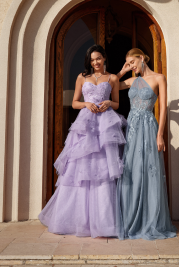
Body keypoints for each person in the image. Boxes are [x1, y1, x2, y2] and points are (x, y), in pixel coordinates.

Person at [39, 45, 126, 238]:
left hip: (105, 126)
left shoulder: (112, 78)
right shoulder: (82, 77)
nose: (95, 62)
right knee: (79, 169)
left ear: (104, 58)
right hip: (85, 125)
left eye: (98, 59)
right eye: (92, 60)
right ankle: (75, 220)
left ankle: (103, 223)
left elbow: (118, 103)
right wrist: (86, 103)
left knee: (102, 170)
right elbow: (75, 102)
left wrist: (109, 103)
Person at [116, 48, 176, 240]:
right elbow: (111, 87)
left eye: (133, 62)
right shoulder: (132, 80)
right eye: (129, 64)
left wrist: (160, 135)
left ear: (142, 58)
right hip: (132, 128)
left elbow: (164, 108)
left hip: (149, 128)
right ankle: (131, 217)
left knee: (149, 171)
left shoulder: (159, 78)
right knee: (132, 170)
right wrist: (122, 71)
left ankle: (150, 220)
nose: (132, 66)